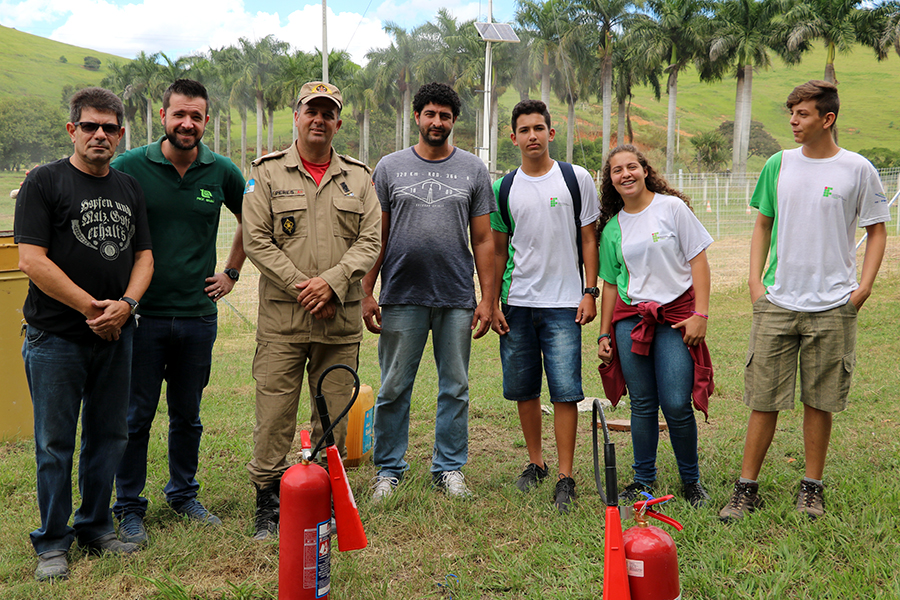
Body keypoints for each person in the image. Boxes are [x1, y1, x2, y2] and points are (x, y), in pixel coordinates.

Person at [719, 80, 889, 521]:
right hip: (777, 301)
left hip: (834, 306)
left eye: (803, 114)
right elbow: (762, 225)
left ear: (827, 119)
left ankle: (811, 488)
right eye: (791, 113)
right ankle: (746, 488)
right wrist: (756, 285)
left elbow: (877, 229)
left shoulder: (857, 169)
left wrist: (863, 287)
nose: (793, 122)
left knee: (821, 400)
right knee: (763, 399)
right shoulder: (778, 165)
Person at [14, 87, 154, 581]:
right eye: (90, 125)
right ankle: (52, 543)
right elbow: (30, 259)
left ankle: (95, 528)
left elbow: (144, 256)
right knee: (55, 443)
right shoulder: (44, 183)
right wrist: (92, 308)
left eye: (110, 127)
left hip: (117, 336)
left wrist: (127, 306)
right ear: (72, 129)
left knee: (109, 436)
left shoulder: (128, 187)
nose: (100, 134)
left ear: (121, 133)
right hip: (56, 338)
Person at [242, 81, 381, 539]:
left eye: (328, 112)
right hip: (284, 320)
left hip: (338, 323)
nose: (319, 119)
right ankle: (268, 500)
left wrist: (334, 282)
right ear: (296, 117)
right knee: (275, 415)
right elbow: (256, 238)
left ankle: (321, 491)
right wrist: (305, 286)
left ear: (338, 122)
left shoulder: (359, 177)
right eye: (311, 111)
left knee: (334, 415)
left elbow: (372, 240)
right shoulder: (265, 174)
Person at [111, 79, 246, 543]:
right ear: (164, 116)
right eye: (178, 115)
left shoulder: (220, 170)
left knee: (187, 414)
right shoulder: (130, 166)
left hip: (197, 316)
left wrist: (231, 272)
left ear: (206, 121)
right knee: (135, 416)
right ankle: (128, 506)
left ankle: (183, 493)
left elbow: (253, 218)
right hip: (141, 316)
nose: (187, 124)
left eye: (196, 116)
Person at [362, 82, 495, 502]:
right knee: (393, 386)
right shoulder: (388, 168)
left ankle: (449, 469)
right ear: (416, 117)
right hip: (400, 294)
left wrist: (488, 299)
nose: (437, 122)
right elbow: (376, 237)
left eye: (445, 115)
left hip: (456, 296)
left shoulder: (473, 170)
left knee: (454, 386)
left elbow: (485, 241)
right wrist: (367, 291)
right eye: (430, 114)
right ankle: (388, 469)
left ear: (454, 121)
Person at [490, 100, 599, 514]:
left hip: (564, 304)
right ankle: (536, 462)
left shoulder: (575, 178)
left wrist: (590, 290)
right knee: (525, 389)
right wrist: (495, 300)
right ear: (512, 136)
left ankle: (566, 476)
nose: (532, 136)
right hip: (517, 302)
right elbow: (499, 249)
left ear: (551, 133)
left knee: (565, 391)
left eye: (539, 128)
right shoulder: (505, 187)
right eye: (524, 129)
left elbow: (589, 238)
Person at [596, 144, 714, 508]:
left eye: (632, 167)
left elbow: (699, 262)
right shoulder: (613, 228)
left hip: (677, 319)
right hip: (631, 322)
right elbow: (612, 285)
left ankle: (691, 481)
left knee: (677, 403)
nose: (625, 174)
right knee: (643, 404)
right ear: (611, 181)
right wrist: (603, 333)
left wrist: (701, 315)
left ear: (645, 170)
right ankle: (643, 479)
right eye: (617, 170)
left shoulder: (672, 209)